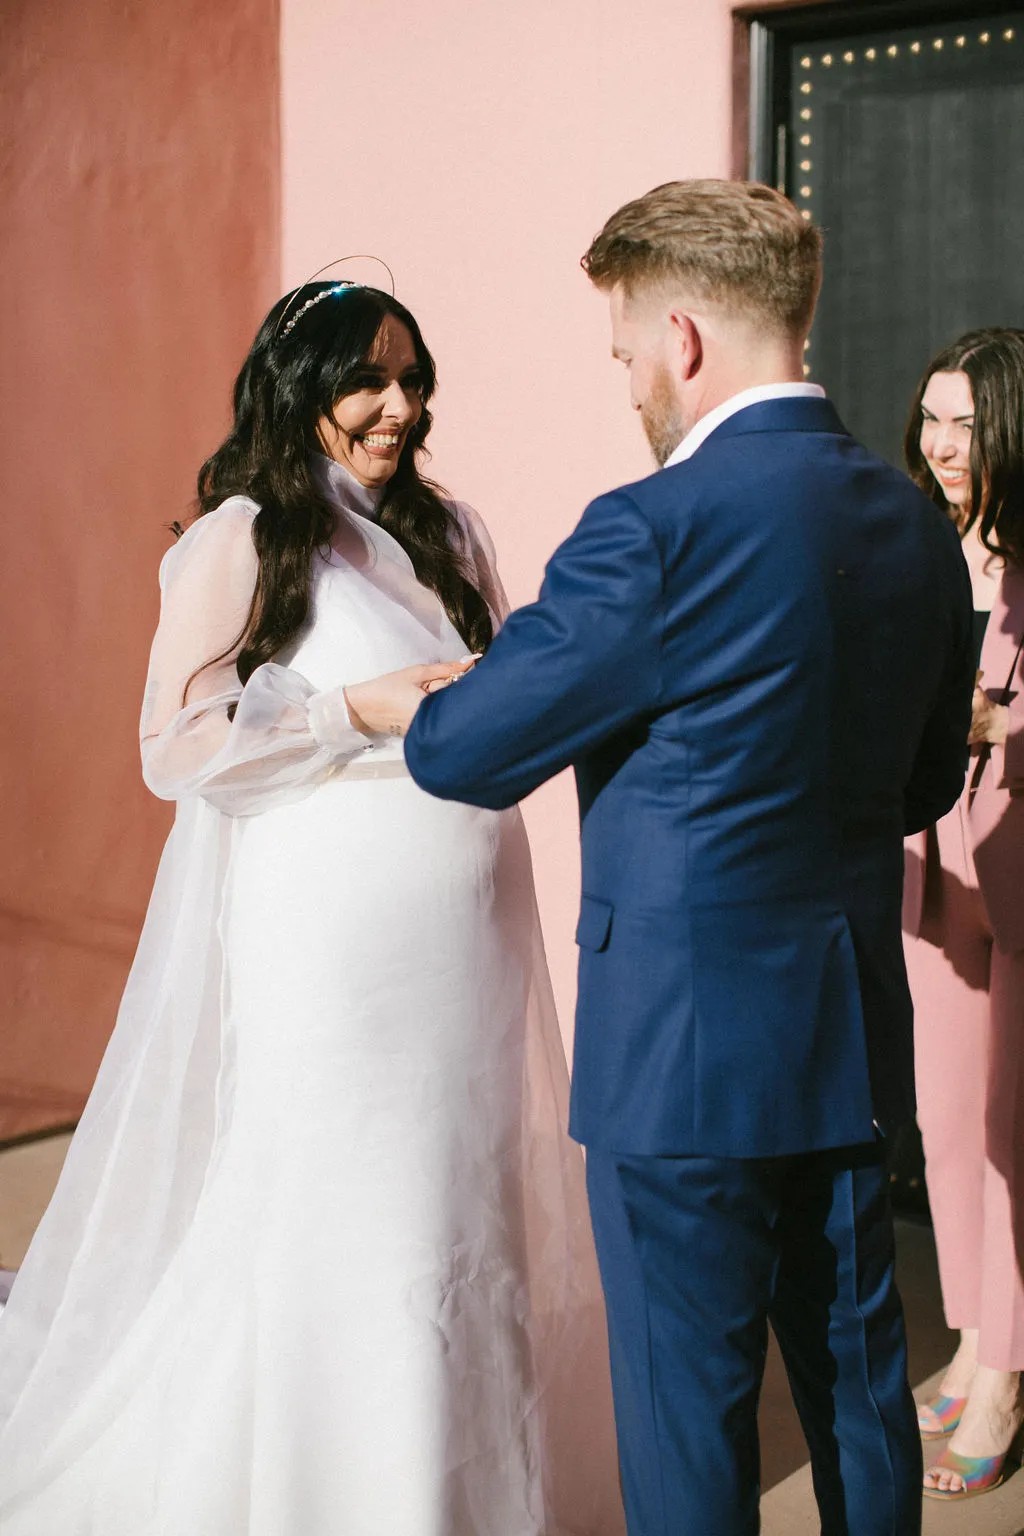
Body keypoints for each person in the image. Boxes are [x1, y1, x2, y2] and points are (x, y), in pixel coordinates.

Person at [345, 181, 976, 1536]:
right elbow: (922, 781)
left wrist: (419, 701)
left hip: (680, 1059)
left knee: (687, 1414)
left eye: (625, 349)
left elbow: (468, 755)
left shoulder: (651, 529)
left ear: (682, 337)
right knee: (860, 1389)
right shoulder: (914, 525)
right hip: (850, 1034)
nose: (627, 378)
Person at [0, 278, 625, 1535]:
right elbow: (175, 746)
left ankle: (452, 1486)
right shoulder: (242, 536)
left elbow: (494, 695)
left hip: (464, 946)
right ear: (301, 389)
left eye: (412, 379)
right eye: (367, 381)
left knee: (455, 1197)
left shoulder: (450, 531)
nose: (397, 406)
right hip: (329, 958)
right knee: (345, 1201)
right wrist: (354, 708)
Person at [902, 329, 1024, 1501]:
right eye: (933, 419)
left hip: (1017, 850)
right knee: (945, 1117)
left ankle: (1005, 1376)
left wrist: (991, 724)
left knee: (1012, 1123)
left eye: (969, 425)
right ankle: (975, 1335)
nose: (943, 445)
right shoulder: (923, 545)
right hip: (932, 862)